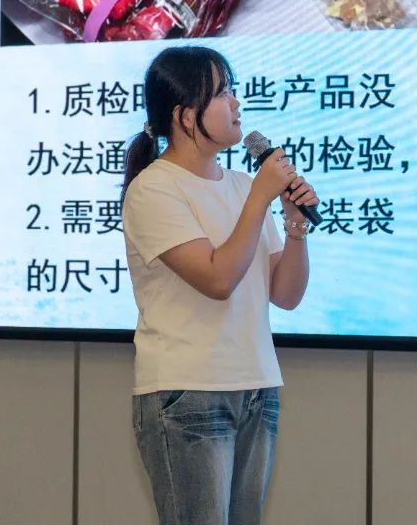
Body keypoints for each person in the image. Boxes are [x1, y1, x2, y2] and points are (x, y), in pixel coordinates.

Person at [120, 45, 317, 525]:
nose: (236, 104)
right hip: (189, 390)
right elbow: (217, 278)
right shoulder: (154, 188)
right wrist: (260, 198)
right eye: (223, 93)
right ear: (185, 116)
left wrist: (294, 226)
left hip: (256, 386)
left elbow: (286, 295)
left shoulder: (242, 186)